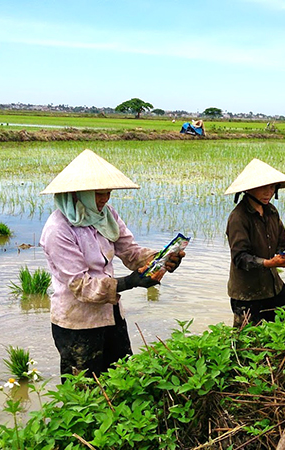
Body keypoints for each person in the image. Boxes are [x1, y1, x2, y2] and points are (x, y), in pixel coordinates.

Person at [39, 149, 184, 378]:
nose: (104, 199)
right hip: (78, 325)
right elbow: (81, 285)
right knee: (84, 393)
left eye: (108, 192)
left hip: (111, 315)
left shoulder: (106, 215)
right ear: (79, 193)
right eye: (98, 193)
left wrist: (162, 259)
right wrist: (129, 282)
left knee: (122, 380)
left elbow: (130, 251)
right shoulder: (59, 230)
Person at [224, 159, 285, 327]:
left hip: (273, 287)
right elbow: (240, 258)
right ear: (249, 188)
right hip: (246, 294)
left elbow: (282, 243)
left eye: (272, 187)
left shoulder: (271, 211)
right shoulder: (238, 218)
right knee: (246, 343)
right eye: (264, 187)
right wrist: (269, 263)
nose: (268, 192)